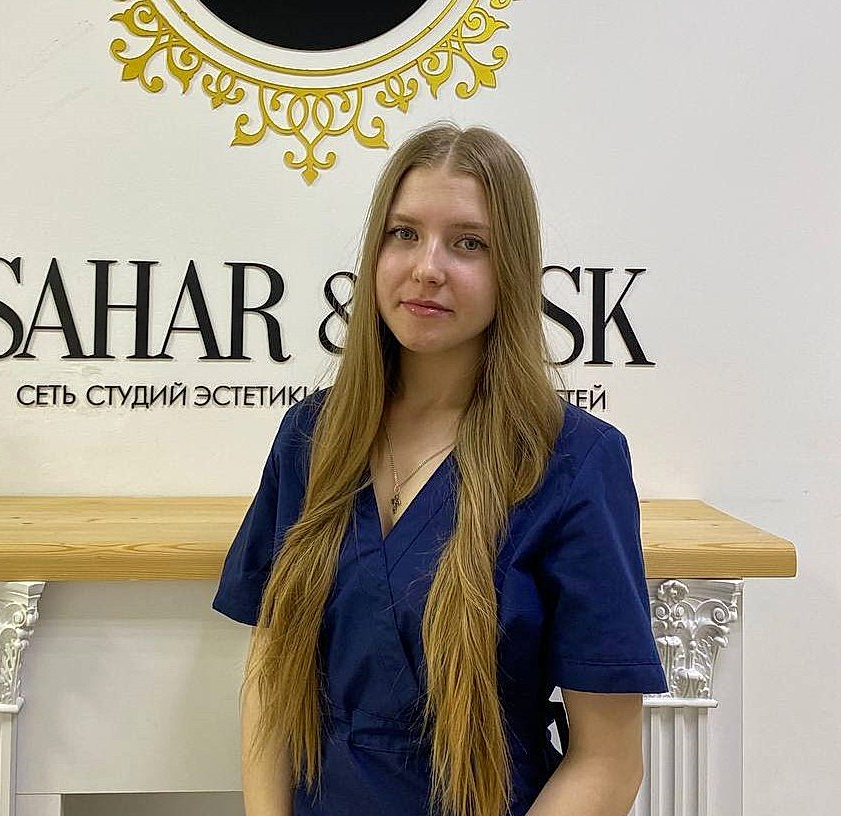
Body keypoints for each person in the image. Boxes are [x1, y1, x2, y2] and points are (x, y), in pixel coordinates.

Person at [212, 123, 668, 816]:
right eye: (404, 234)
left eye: (468, 243)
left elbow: (608, 762)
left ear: (511, 269)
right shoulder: (312, 436)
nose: (427, 267)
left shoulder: (574, 462)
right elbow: (272, 681)